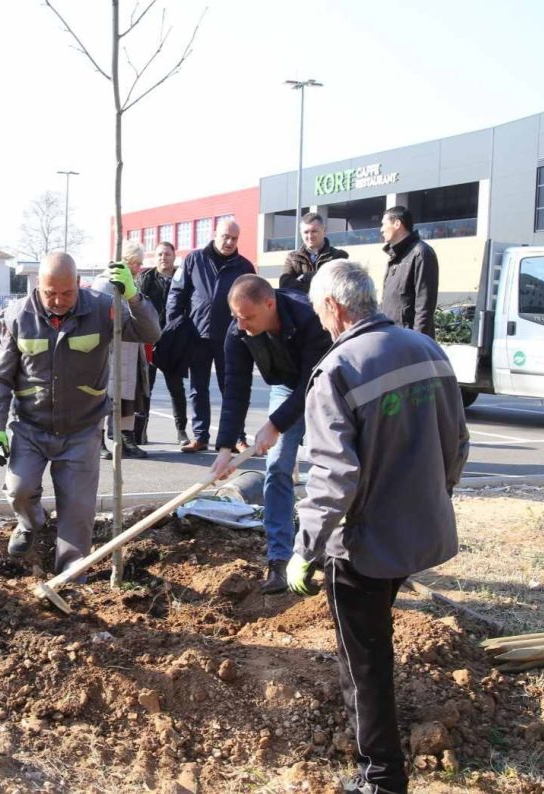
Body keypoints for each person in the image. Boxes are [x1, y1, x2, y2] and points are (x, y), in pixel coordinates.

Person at [286, 260, 468, 794]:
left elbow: (334, 475)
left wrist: (305, 547)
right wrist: (434, 497)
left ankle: (381, 779)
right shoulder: (427, 349)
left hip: (363, 545)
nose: (321, 323)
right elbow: (456, 442)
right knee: (376, 645)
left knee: (363, 663)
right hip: (415, 529)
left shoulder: (337, 369)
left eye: (320, 312)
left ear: (334, 308)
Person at [0, 252, 161, 572]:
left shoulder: (102, 308)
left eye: (66, 293)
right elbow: (0, 376)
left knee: (78, 511)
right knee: (19, 489)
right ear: (38, 285)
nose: (58, 301)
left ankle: (70, 578)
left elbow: (149, 333)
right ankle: (30, 523)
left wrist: (134, 297)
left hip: (82, 428)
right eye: (50, 293)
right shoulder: (18, 316)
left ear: (78, 284)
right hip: (31, 425)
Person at [208, 275, 333, 593]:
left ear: (270, 303)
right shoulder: (238, 330)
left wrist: (275, 424)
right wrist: (225, 448)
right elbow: (235, 388)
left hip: (329, 387)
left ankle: (328, 553)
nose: (241, 323)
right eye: (236, 315)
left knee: (330, 471)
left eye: (248, 316)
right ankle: (279, 561)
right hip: (286, 386)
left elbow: (311, 382)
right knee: (277, 468)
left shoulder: (310, 319)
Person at [166, 218, 256, 453]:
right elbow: (177, 293)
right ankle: (200, 436)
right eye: (225, 236)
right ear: (215, 234)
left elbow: (254, 303)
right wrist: (174, 324)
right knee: (198, 388)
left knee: (233, 389)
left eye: (234, 238)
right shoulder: (194, 259)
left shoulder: (245, 267)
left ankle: (237, 436)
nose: (229, 242)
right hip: (198, 335)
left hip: (232, 337)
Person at [93, 243, 149, 459]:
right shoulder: (104, 282)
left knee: (128, 396)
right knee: (102, 395)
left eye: (140, 263)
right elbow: (98, 315)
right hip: (110, 349)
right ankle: (97, 440)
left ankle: (126, 437)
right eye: (134, 263)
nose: (137, 267)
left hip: (130, 348)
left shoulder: (132, 282)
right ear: (123, 261)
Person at [136, 240, 188, 445]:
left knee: (176, 388)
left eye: (167, 254)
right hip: (150, 340)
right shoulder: (145, 278)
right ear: (154, 257)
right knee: (145, 388)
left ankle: (182, 431)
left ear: (174, 256)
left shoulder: (182, 277)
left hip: (174, 342)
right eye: (159, 254)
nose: (163, 258)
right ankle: (142, 431)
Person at [380, 205, 439, 338]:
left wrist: (417, 342)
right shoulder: (395, 256)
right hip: (392, 337)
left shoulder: (421, 253)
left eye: (384, 224)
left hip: (409, 341)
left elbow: (424, 306)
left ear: (397, 223)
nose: (381, 229)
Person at [279, 212, 349, 294]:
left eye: (314, 231)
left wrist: (304, 279)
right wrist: (320, 282)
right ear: (301, 233)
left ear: (324, 230)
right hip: (301, 306)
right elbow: (284, 285)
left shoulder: (338, 256)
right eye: (306, 232)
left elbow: (339, 286)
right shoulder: (292, 258)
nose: (310, 236)